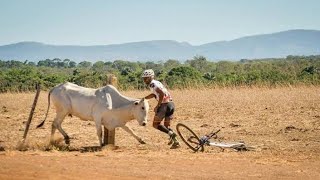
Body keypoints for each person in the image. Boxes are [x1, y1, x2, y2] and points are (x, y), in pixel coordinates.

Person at [142, 69, 180, 149]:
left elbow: (161, 94)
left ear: (151, 77)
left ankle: (171, 134)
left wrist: (158, 106)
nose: (145, 80)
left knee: (155, 124)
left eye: (146, 78)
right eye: (144, 78)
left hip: (164, 105)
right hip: (171, 104)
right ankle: (176, 142)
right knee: (166, 125)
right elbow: (154, 94)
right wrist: (144, 98)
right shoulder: (157, 82)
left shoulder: (152, 84)